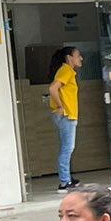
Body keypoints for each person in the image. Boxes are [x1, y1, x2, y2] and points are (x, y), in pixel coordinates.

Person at [49, 43, 83, 190]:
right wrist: (61, 106)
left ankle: (67, 177)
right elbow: (52, 88)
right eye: (77, 56)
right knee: (67, 148)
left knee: (67, 147)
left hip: (68, 116)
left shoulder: (67, 71)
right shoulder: (66, 71)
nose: (81, 58)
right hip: (66, 116)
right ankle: (64, 182)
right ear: (69, 58)